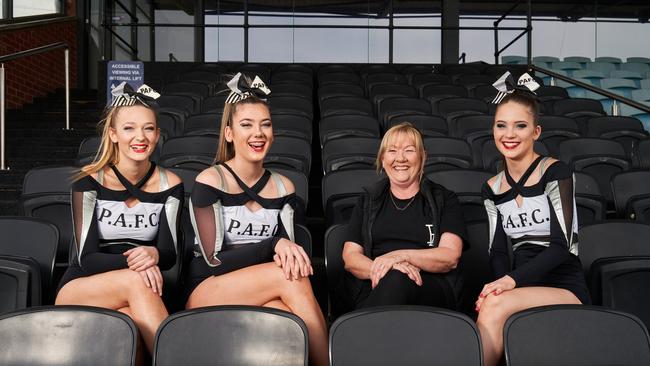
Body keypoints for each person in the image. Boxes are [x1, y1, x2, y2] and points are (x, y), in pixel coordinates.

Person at [185, 73, 328, 366]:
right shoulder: (210, 180)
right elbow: (211, 260)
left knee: (286, 315)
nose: (258, 133)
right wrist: (272, 244)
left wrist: (279, 249)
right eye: (247, 125)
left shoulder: (285, 187)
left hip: (266, 286)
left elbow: (290, 257)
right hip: (207, 287)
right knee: (290, 277)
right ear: (229, 134)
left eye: (265, 124)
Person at [56, 82, 184, 354]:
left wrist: (154, 253)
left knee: (132, 329)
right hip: (82, 286)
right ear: (113, 134)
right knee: (135, 282)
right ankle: (179, 358)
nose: (140, 137)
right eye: (129, 128)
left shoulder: (170, 184)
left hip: (141, 292)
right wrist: (138, 264)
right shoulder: (88, 183)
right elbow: (87, 258)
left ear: (158, 133)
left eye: (148, 128)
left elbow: (170, 252)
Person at [476, 72, 591, 366]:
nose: (509, 134)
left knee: (494, 303)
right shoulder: (491, 188)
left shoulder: (556, 172)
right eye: (501, 125)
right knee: (492, 301)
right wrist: (499, 284)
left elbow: (561, 247)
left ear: (536, 132)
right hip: (518, 285)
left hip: (564, 285)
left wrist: (508, 283)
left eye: (520, 126)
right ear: (493, 130)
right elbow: (498, 250)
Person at [341, 122, 467, 310]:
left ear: (423, 157)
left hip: (429, 285)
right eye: (392, 151)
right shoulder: (367, 200)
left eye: (409, 150)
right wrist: (386, 269)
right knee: (394, 278)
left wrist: (398, 256)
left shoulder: (445, 199)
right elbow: (350, 257)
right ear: (383, 159)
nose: (400, 158)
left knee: (397, 279)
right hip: (375, 282)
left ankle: (361, 335)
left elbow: (449, 256)